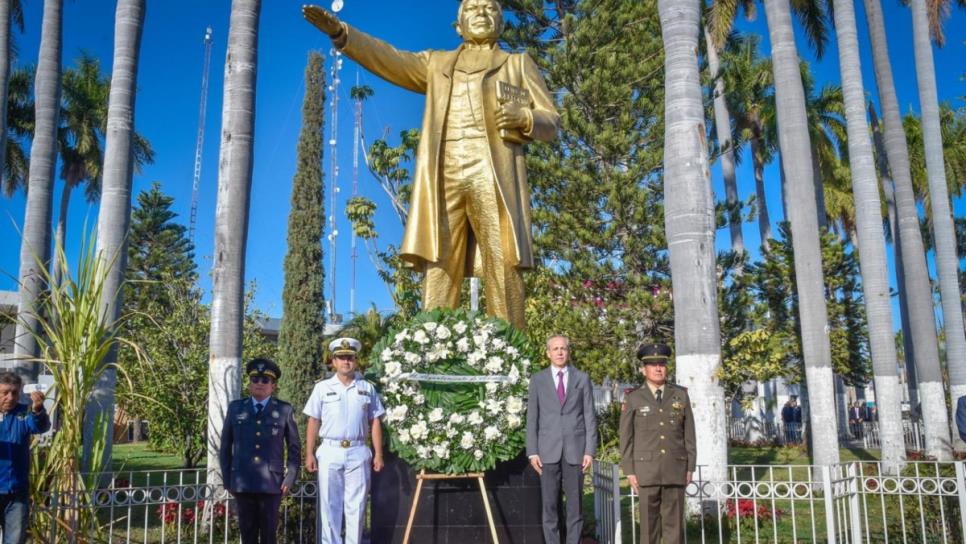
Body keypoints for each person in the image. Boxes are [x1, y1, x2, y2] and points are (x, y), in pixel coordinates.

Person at [303, 0, 559, 330]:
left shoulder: (518, 64)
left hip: (493, 173)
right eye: (472, 9)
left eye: (490, 8)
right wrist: (342, 34)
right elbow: (391, 58)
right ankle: (431, 351)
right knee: (439, 264)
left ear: (502, 22)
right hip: (445, 172)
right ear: (459, 25)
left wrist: (525, 117)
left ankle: (511, 358)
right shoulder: (436, 64)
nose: (481, 14)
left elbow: (551, 121)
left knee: (503, 262)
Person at [304, 338, 385, 544]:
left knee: (356, 506)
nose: (346, 362)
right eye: (341, 358)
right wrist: (309, 453)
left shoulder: (367, 388)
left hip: (358, 450)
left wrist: (378, 454)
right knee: (330, 505)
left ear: (355, 361)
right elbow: (313, 420)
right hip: (330, 449)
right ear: (333, 362)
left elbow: (374, 421)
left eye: (349, 358)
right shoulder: (322, 388)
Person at [619, 343, 695, 544]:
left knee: (674, 529)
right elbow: (626, 438)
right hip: (646, 471)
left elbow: (689, 434)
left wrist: (690, 466)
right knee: (648, 529)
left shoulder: (680, 395)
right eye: (652, 365)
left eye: (661, 364)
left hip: (675, 468)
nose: (658, 368)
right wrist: (630, 470)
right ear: (644, 369)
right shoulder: (633, 397)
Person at [219, 359, 301, 544]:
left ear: (273, 386)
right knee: (247, 534)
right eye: (255, 379)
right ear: (249, 383)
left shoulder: (284, 410)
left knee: (269, 535)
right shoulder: (236, 408)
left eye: (265, 380)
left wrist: (290, 477)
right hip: (242, 481)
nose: (259, 384)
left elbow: (294, 448)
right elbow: (225, 447)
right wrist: (227, 478)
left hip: (272, 483)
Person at [526, 335, 597, 544]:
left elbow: (589, 416)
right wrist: (532, 451)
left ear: (568, 352)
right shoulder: (538, 380)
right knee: (549, 507)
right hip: (547, 452)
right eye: (555, 349)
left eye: (563, 348)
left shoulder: (581, 378)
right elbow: (532, 418)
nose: (559, 352)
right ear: (548, 353)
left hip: (576, 452)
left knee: (575, 507)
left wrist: (589, 451)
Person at [0, 372, 49, 544]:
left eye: (15, 392)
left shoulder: (24, 412)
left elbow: (40, 426)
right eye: (5, 392)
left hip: (17, 491)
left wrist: (37, 409)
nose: (10, 397)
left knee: (15, 540)